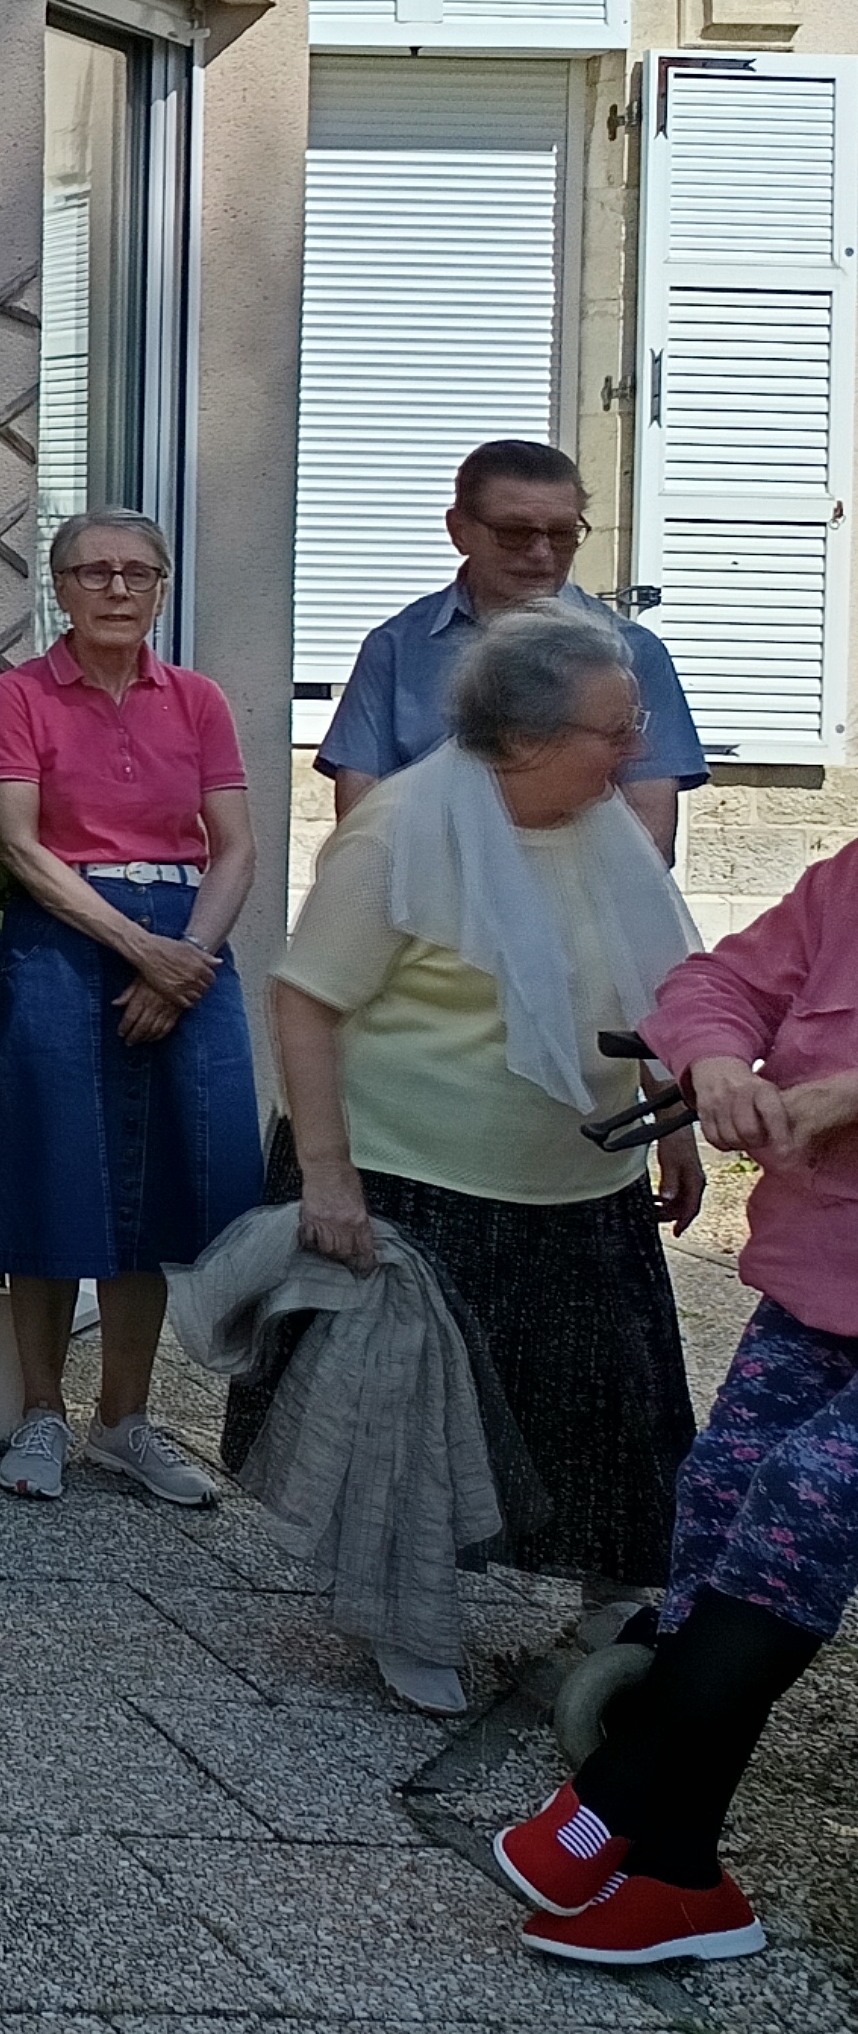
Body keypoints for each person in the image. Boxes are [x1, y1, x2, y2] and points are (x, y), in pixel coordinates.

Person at [251, 600, 707, 1713]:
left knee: (603, 1405)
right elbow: (305, 1002)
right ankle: (412, 1622)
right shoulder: (403, 830)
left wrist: (676, 1116)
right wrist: (327, 1176)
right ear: (527, 737)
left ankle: (608, 1592)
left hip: (580, 1185)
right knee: (421, 1429)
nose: (634, 748)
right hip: (427, 1184)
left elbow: (651, 984)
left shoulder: (599, 823)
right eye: (613, 727)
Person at [488, 831, 858, 1966]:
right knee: (717, 1504)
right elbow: (716, 982)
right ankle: (682, 1881)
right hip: (818, 1286)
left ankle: (616, 1788)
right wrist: (715, 1065)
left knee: (801, 1501)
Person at [0, 507, 264, 1506]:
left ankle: (125, 1421)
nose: (115, 589)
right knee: (57, 1173)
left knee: (158, 1188)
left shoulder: (197, 700)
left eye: (137, 573)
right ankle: (42, 1412)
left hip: (187, 937)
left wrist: (188, 954)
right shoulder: (18, 696)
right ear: (59, 586)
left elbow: (234, 846)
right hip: (68, 939)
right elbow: (19, 845)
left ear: (160, 588)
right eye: (93, 571)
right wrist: (141, 947)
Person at [321, 440, 708, 863]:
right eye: (514, 533)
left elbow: (649, 841)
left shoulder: (633, 654)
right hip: (428, 908)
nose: (541, 554)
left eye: (561, 534)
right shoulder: (396, 649)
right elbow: (360, 828)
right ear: (459, 531)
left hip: (576, 910)